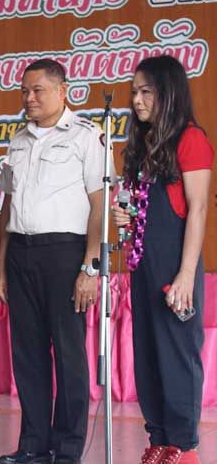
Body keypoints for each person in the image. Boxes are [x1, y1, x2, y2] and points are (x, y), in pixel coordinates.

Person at [0, 59, 112, 464]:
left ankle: (67, 448)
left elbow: (100, 205)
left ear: (63, 91)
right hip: (20, 252)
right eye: (24, 91)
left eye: (37, 90)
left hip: (66, 253)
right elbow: (7, 206)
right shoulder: (18, 140)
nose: (29, 98)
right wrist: (1, 267)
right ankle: (33, 444)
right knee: (27, 354)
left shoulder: (87, 136)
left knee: (68, 354)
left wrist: (90, 267)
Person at [111, 56, 212, 464]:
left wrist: (185, 274)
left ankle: (183, 446)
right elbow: (139, 207)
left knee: (176, 355)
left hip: (175, 264)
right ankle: (159, 439)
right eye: (134, 92)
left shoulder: (190, 138)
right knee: (149, 355)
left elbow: (198, 209)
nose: (136, 100)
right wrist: (126, 218)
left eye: (146, 92)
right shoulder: (142, 147)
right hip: (144, 265)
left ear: (167, 93)